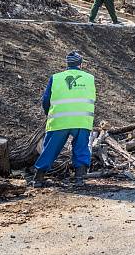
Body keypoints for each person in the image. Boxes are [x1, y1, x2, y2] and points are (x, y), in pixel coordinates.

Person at [32, 51, 96, 188]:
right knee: (81, 148)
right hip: (82, 120)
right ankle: (79, 178)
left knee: (50, 149)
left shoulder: (56, 78)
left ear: (67, 64)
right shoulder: (90, 78)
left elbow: (45, 100)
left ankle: (38, 178)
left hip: (60, 120)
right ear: (81, 64)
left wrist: (48, 112)